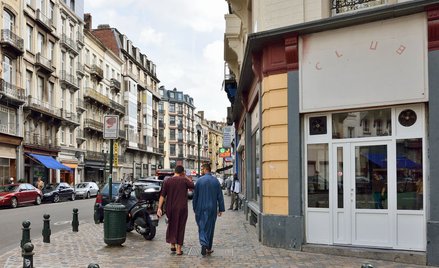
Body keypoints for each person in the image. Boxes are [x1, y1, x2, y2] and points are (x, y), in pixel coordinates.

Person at [157, 165, 194, 256]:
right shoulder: (184, 180)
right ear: (182, 172)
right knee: (181, 226)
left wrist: (159, 208)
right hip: (182, 207)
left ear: (174, 171)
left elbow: (162, 195)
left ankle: (172, 244)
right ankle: (178, 249)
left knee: (172, 224)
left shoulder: (167, 181)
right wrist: (185, 176)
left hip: (170, 207)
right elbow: (192, 186)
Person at [193, 163, 225, 256]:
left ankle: (203, 243)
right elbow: (220, 196)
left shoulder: (199, 181)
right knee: (210, 227)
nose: (201, 171)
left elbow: (195, 196)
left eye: (202, 169)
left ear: (205, 169)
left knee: (201, 226)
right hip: (212, 207)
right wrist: (221, 209)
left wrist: (194, 208)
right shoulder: (215, 181)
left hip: (200, 207)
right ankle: (208, 247)